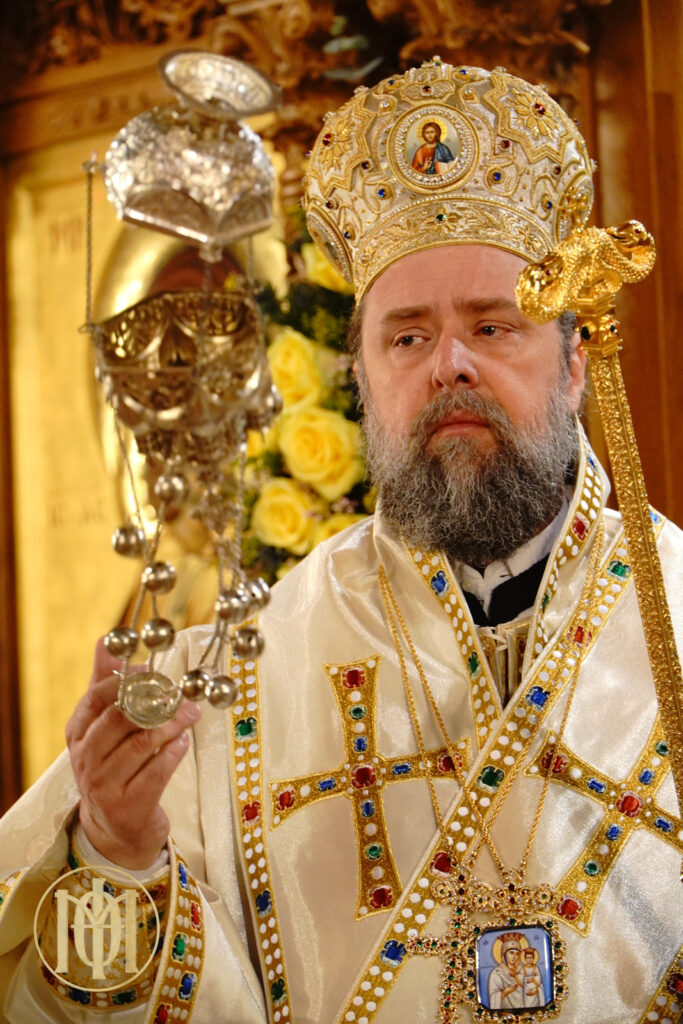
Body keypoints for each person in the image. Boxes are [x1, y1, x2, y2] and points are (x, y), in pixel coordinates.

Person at [1, 58, 682, 1024]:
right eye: (406, 337)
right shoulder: (234, 675)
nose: (449, 364)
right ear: (361, 381)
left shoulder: (675, 609)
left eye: (494, 327)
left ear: (574, 365)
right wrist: (118, 849)